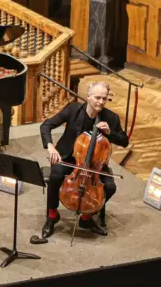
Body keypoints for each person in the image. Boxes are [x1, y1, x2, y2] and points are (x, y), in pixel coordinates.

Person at [40, 81, 129, 238]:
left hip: (95, 163)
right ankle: (52, 215)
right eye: (97, 98)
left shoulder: (111, 118)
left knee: (110, 187)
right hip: (68, 157)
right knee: (55, 176)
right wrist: (51, 147)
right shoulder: (73, 110)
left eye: (104, 98)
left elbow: (124, 141)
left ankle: (86, 218)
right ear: (88, 97)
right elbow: (46, 126)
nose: (101, 102)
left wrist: (110, 132)